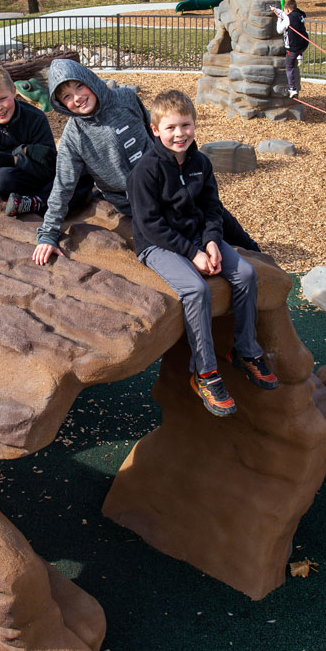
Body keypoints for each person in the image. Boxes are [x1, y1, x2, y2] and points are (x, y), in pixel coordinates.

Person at [128, 89, 276, 416]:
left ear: (194, 125)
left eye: (185, 125)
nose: (179, 134)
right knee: (196, 290)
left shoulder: (201, 163)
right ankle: (205, 372)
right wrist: (193, 254)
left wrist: (210, 242)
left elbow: (212, 208)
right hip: (158, 244)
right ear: (155, 130)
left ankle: (246, 349)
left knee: (246, 274)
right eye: (171, 128)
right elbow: (150, 225)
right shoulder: (146, 170)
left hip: (197, 236)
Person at [31, 59, 257, 265]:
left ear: (89, 79)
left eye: (79, 86)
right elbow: (63, 185)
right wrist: (48, 234)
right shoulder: (75, 136)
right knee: (180, 230)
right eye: (67, 96)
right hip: (136, 201)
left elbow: (156, 135)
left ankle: (256, 254)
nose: (77, 97)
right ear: (60, 103)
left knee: (219, 216)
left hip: (172, 182)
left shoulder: (126, 98)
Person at [0, 63, 60, 216]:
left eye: (3, 98)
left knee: (79, 173)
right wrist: (22, 154)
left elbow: (49, 159)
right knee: (3, 180)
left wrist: (6, 157)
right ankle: (46, 200)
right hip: (8, 177)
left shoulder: (35, 117)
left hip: (39, 175)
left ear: (14, 91)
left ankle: (35, 203)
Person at [273, 0, 309, 98]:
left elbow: (279, 30)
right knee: (298, 51)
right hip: (304, 44)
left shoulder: (288, 19)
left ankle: (292, 89)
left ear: (288, 9)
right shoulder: (300, 14)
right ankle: (299, 56)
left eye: (285, 10)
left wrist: (279, 19)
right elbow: (286, 15)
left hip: (294, 47)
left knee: (289, 67)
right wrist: (277, 11)